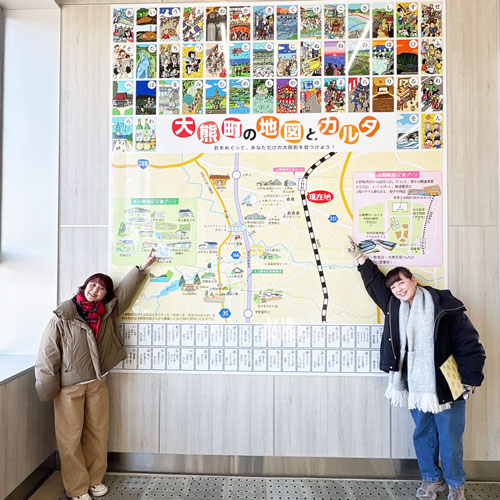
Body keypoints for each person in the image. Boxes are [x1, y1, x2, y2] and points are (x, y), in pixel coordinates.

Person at [347, 237, 485, 500]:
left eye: (401, 282)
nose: (398, 289)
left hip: (447, 385)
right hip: (413, 383)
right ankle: (432, 479)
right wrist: (361, 259)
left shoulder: (443, 305)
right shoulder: (394, 307)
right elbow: (375, 285)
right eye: (393, 286)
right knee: (423, 433)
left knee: (450, 436)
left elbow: (468, 343)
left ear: (413, 280)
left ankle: (456, 484)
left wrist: (471, 379)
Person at [35, 250, 156, 500]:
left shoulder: (107, 312)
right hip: (69, 387)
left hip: (98, 383)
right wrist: (47, 388)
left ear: (105, 294)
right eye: (92, 284)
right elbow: (48, 353)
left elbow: (124, 293)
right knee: (70, 438)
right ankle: (77, 488)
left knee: (98, 433)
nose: (95, 290)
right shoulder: (63, 315)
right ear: (84, 286)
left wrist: (141, 268)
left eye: (101, 288)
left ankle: (94, 480)